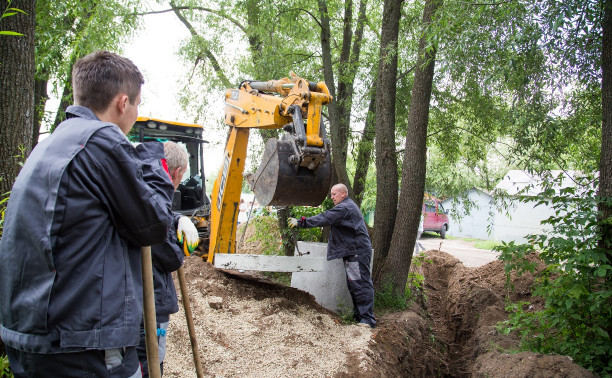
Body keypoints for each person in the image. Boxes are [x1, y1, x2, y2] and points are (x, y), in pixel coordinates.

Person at [0, 50, 175, 377]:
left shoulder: (49, 145)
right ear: (123, 103)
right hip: (83, 345)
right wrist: (153, 163)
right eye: (138, 104)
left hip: (29, 336)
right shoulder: (102, 140)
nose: (137, 114)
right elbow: (153, 225)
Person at [136, 141, 199, 377]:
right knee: (150, 365)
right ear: (176, 172)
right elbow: (170, 258)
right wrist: (180, 249)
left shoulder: (136, 191)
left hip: (138, 304)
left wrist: (177, 219)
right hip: (148, 307)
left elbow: (158, 212)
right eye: (181, 178)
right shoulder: (148, 207)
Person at [288, 183, 376, 328]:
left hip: (357, 252)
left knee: (360, 284)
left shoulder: (344, 208)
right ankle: (360, 317)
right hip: (353, 251)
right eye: (331, 194)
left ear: (343, 194)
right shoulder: (346, 207)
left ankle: (367, 320)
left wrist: (300, 222)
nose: (332, 197)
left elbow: (325, 218)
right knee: (355, 284)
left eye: (334, 194)